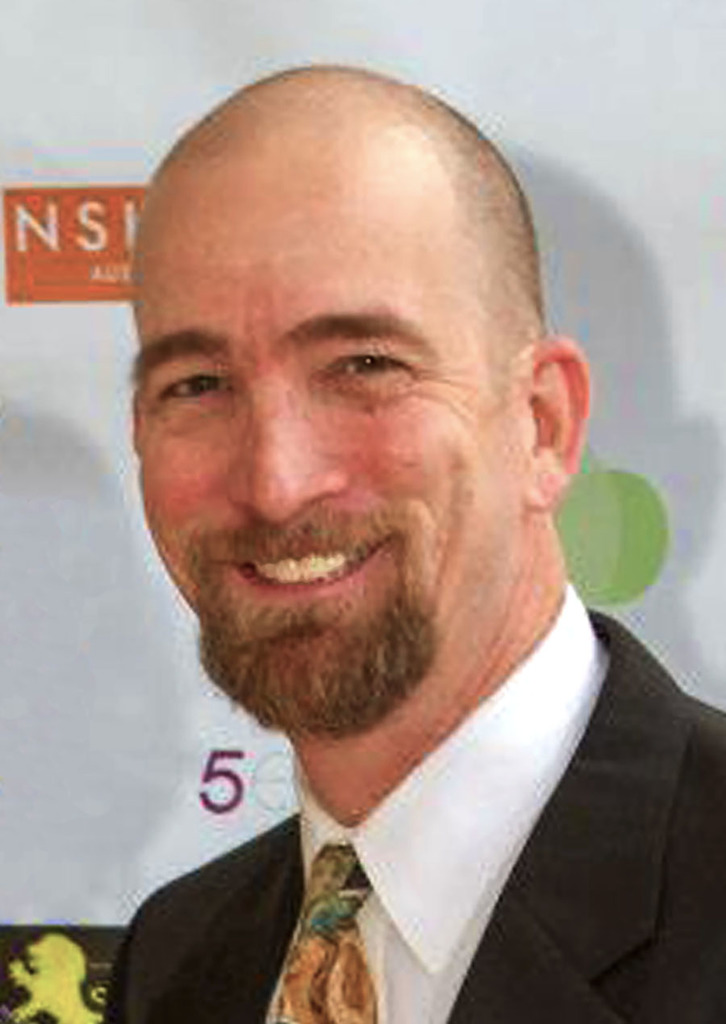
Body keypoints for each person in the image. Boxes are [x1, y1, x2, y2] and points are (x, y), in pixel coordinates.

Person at [105, 66, 726, 1023]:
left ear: (544, 425)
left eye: (364, 365)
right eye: (197, 384)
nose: (276, 482)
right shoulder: (176, 957)